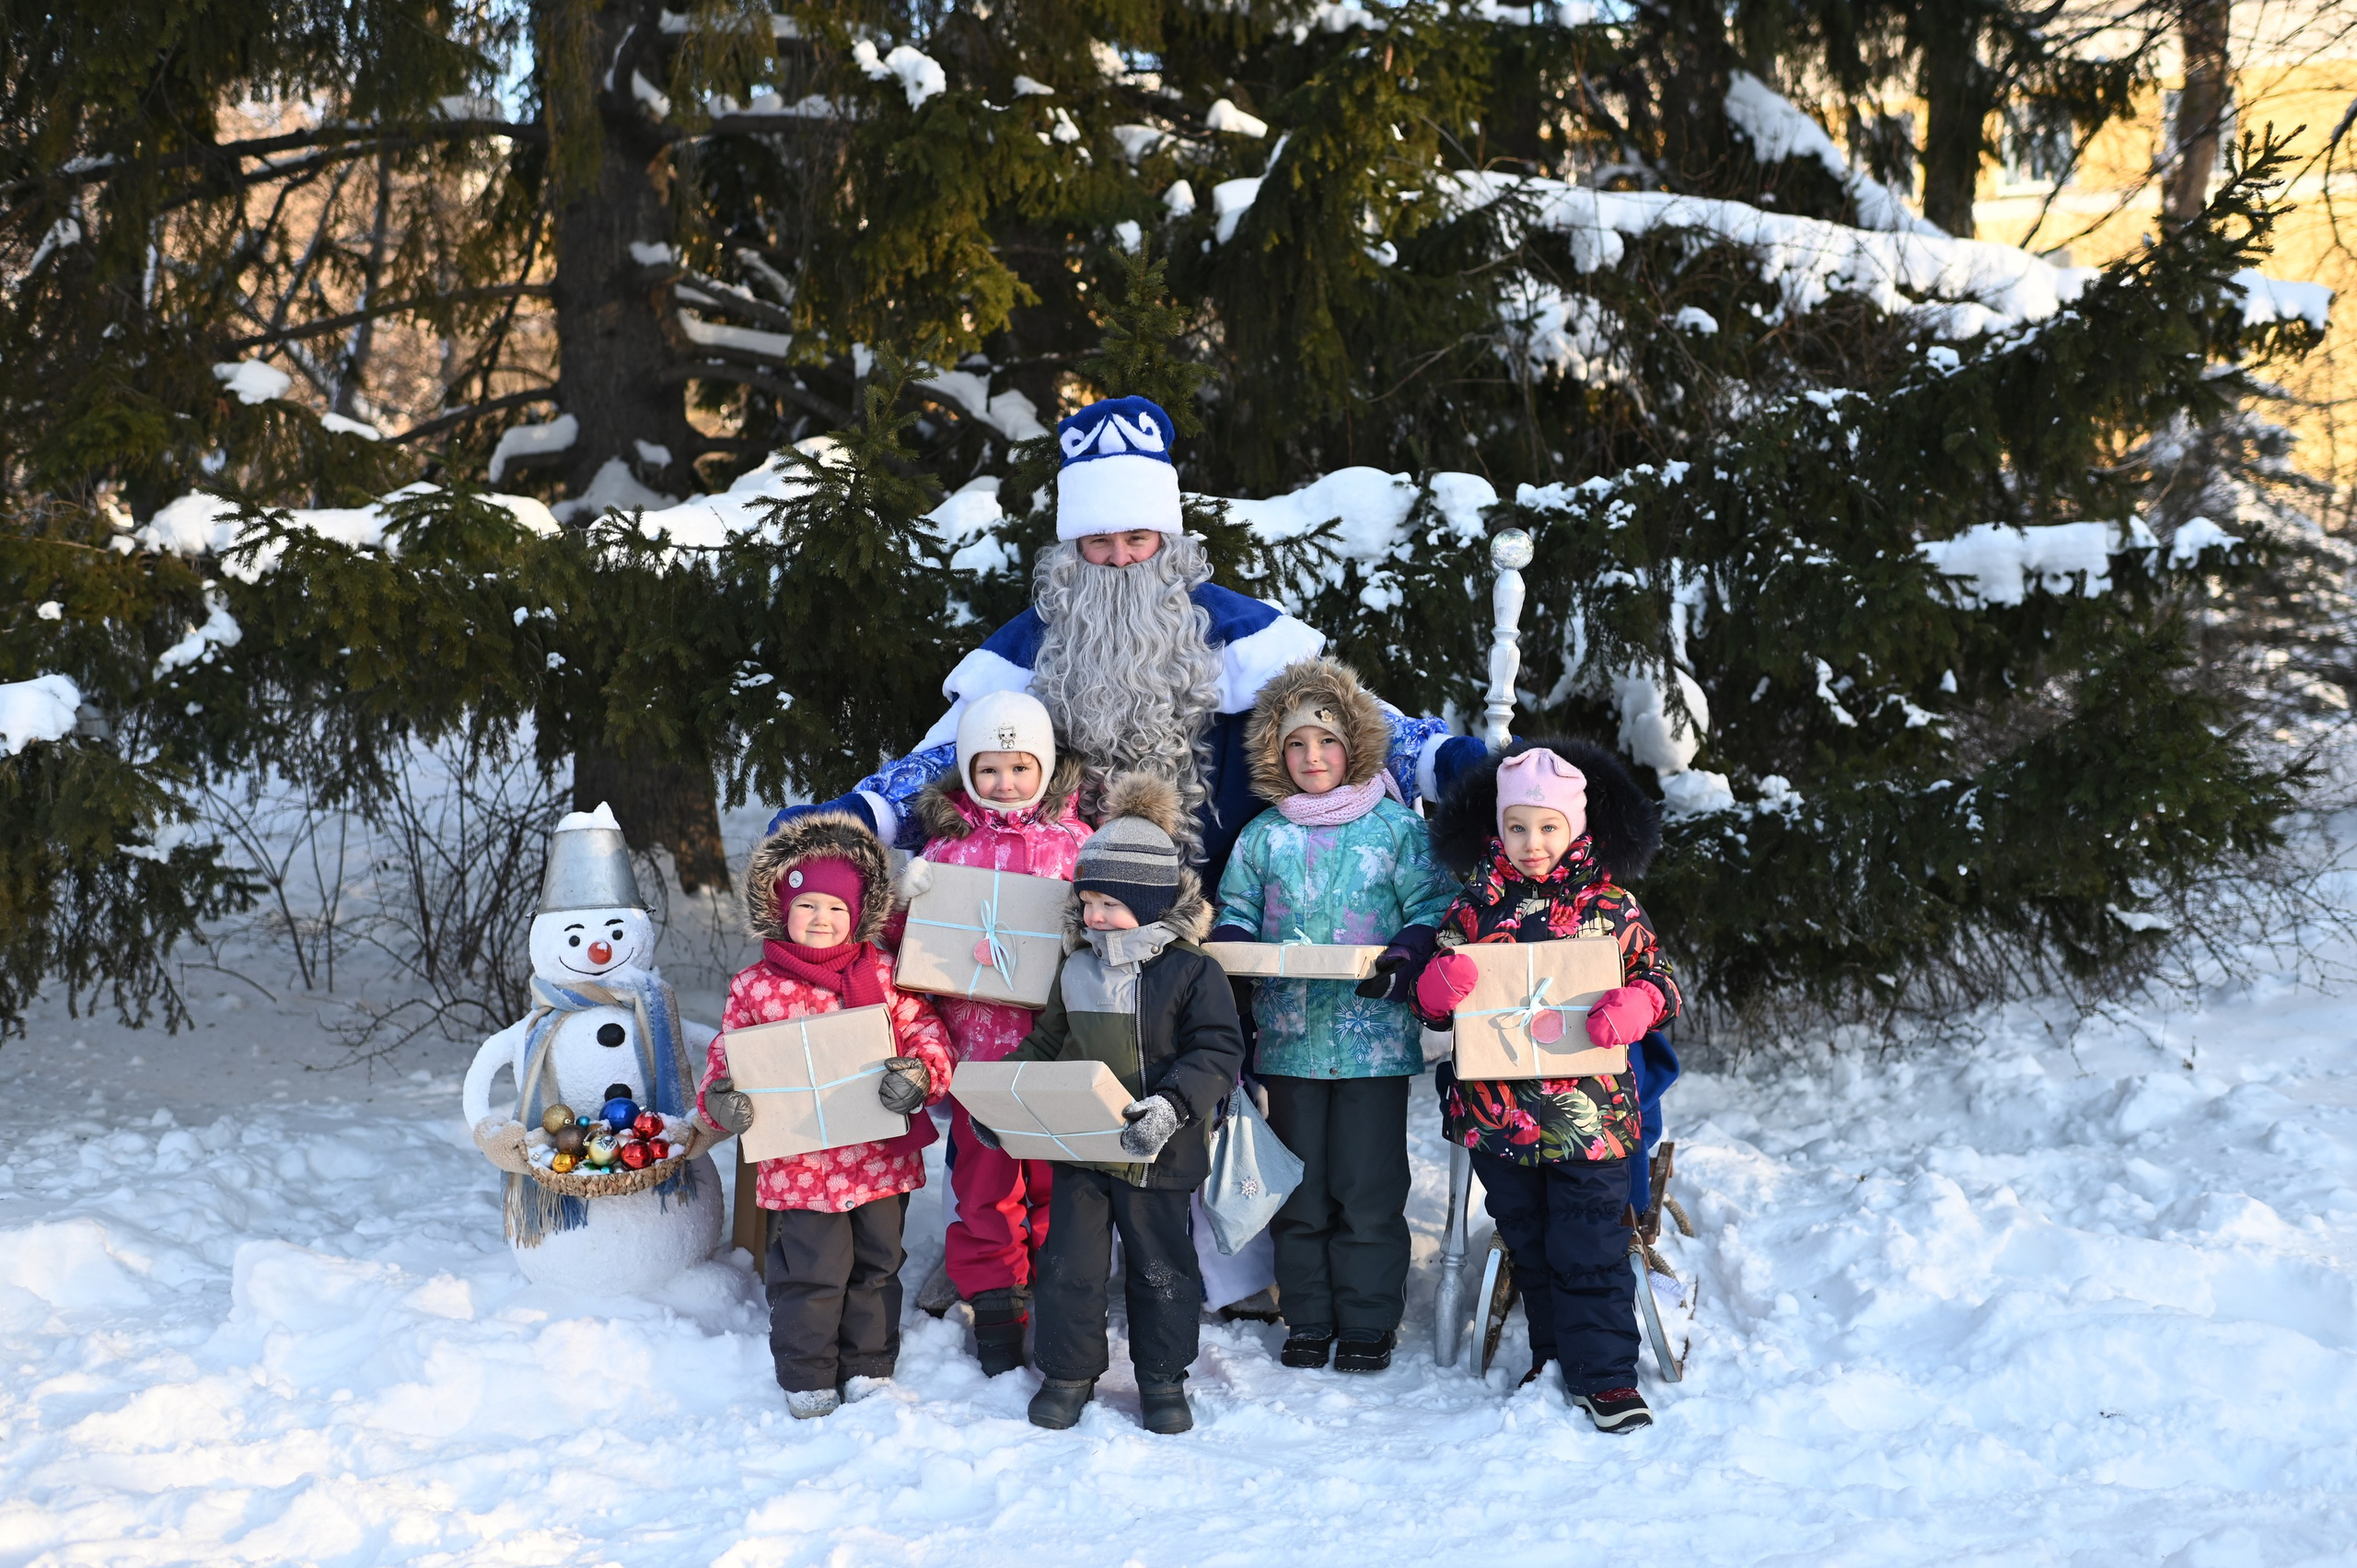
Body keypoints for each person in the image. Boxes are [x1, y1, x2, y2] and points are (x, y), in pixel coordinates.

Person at [768, 395, 1488, 890]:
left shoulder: (1237, 631)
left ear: (1165, 539)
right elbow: (945, 761)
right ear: (1072, 545)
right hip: (1063, 919)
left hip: (1222, 911)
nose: (1119, 559)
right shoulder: (1030, 648)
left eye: (1137, 537)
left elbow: (1348, 719)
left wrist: (1444, 762)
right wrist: (852, 817)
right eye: (1099, 540)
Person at [1411, 740, 1680, 1434]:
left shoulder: (1613, 907)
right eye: (1518, 827)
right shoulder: (1474, 910)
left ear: (1576, 828)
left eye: (1549, 827)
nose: (1533, 843)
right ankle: (1556, 1356)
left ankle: (1607, 1377)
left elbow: (1662, 980)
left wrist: (1639, 1004)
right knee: (1529, 1242)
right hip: (1499, 1119)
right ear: (1498, 829)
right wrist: (1437, 989)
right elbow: (1434, 1003)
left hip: (1589, 1118)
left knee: (1588, 1241)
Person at [974, 773, 1246, 1434]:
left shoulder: (1191, 972)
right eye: (1088, 901)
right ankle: (1068, 1373)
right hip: (1085, 1149)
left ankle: (1162, 1377)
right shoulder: (1076, 969)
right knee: (1071, 1266)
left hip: (1160, 1149)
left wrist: (1172, 1106)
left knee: (1161, 1269)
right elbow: (1046, 1042)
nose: (1094, 916)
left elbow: (1217, 1051)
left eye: (1109, 904)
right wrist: (1000, 1099)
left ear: (1150, 903)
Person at [1211, 658, 1455, 1373]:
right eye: (1296, 745)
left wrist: (1410, 951)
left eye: (1325, 742)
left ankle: (1369, 1320)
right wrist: (1229, 951)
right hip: (1288, 1041)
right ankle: (1310, 1317)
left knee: (1368, 1187)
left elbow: (1433, 909)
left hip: (1372, 1041)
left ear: (1354, 745)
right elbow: (1236, 912)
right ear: (1275, 754)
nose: (1311, 757)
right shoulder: (1263, 836)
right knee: (1302, 1189)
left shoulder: (1394, 830)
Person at [694, 810, 956, 1420]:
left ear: (859, 913)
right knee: (810, 1272)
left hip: (877, 1159)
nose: (821, 918)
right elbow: (728, 1052)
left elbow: (925, 1032)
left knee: (876, 1266)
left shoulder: (884, 974)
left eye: (836, 908)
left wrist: (919, 1074)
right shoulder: (756, 986)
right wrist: (723, 1094)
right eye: (808, 904)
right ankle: (807, 1373)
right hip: (800, 1162)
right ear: (781, 908)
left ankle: (868, 1365)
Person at [891, 689, 1092, 1375]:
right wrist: (908, 899)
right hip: (976, 1050)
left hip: (1054, 1046)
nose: (1005, 784)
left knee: (1052, 1179)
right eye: (989, 770)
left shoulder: (1073, 845)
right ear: (969, 773)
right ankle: (996, 1301)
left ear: (1044, 768)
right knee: (984, 1184)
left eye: (1019, 768)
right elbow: (910, 946)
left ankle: (1051, 1288)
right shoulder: (948, 847)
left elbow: (1106, 923)